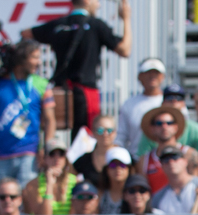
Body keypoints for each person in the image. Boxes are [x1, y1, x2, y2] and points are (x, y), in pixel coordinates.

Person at [26, 0, 131, 131]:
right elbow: (125, 50)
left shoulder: (58, 24)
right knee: (85, 139)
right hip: (85, 92)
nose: (98, 5)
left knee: (56, 134)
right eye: (96, 1)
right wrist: (126, 19)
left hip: (61, 91)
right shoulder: (96, 25)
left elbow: (25, 34)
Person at [0, 40, 54, 193]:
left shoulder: (41, 84)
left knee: (27, 201)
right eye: (34, 57)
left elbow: (50, 120)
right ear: (21, 59)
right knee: (1, 202)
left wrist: (46, 149)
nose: (39, 62)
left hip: (29, 154)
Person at [117, 58, 165, 155]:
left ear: (162, 77)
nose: (152, 76)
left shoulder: (172, 102)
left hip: (166, 160)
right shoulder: (129, 104)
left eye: (156, 73)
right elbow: (121, 136)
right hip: (137, 157)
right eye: (148, 72)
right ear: (139, 76)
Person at [23, 134, 76, 215]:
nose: (57, 158)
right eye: (52, 154)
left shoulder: (76, 182)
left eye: (61, 154)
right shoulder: (32, 185)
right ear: (45, 158)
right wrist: (49, 185)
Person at [152, 145, 198, 215]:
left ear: (185, 161)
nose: (171, 162)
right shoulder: (158, 198)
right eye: (165, 160)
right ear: (161, 166)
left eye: (175, 157)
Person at [98, 146, 131, 213]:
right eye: (113, 165)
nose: (118, 169)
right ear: (106, 169)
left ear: (129, 169)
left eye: (122, 165)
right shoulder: (99, 194)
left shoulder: (135, 193)